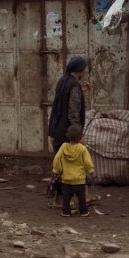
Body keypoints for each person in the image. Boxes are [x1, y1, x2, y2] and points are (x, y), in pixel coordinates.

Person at [48, 55, 89, 204]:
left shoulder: (63, 81)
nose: (85, 70)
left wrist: (80, 91)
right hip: (67, 132)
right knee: (69, 167)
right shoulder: (74, 85)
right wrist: (79, 135)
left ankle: (59, 199)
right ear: (80, 70)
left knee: (60, 166)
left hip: (56, 129)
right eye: (84, 67)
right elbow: (73, 112)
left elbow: (65, 101)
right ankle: (62, 200)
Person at [52, 124, 95, 217]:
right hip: (79, 180)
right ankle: (84, 211)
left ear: (67, 135)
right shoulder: (82, 149)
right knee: (81, 197)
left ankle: (66, 212)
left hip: (66, 180)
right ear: (80, 137)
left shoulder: (63, 147)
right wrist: (90, 170)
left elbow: (57, 159)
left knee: (66, 198)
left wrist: (57, 171)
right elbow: (87, 161)